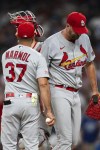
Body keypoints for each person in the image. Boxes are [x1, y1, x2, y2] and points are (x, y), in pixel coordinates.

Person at [41, 11, 100, 150]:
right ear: (67, 25)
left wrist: (95, 90)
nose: (79, 33)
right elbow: (41, 73)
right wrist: (43, 100)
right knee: (65, 140)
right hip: (57, 90)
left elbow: (90, 63)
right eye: (76, 30)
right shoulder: (51, 43)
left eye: (82, 30)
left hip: (76, 93)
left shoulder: (84, 38)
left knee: (74, 139)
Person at [1, 21, 55, 150]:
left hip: (10, 100)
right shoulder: (38, 56)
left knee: (8, 145)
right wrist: (48, 111)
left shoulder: (5, 55)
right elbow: (43, 84)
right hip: (31, 101)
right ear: (34, 36)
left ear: (17, 34)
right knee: (31, 145)